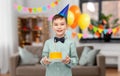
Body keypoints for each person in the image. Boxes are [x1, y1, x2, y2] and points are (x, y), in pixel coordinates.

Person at [40, 4, 78, 76]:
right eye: (56, 24)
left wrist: (69, 60)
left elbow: (75, 61)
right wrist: (44, 61)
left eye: (62, 24)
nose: (59, 27)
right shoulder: (47, 43)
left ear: (66, 26)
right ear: (53, 27)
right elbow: (43, 59)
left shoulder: (71, 43)